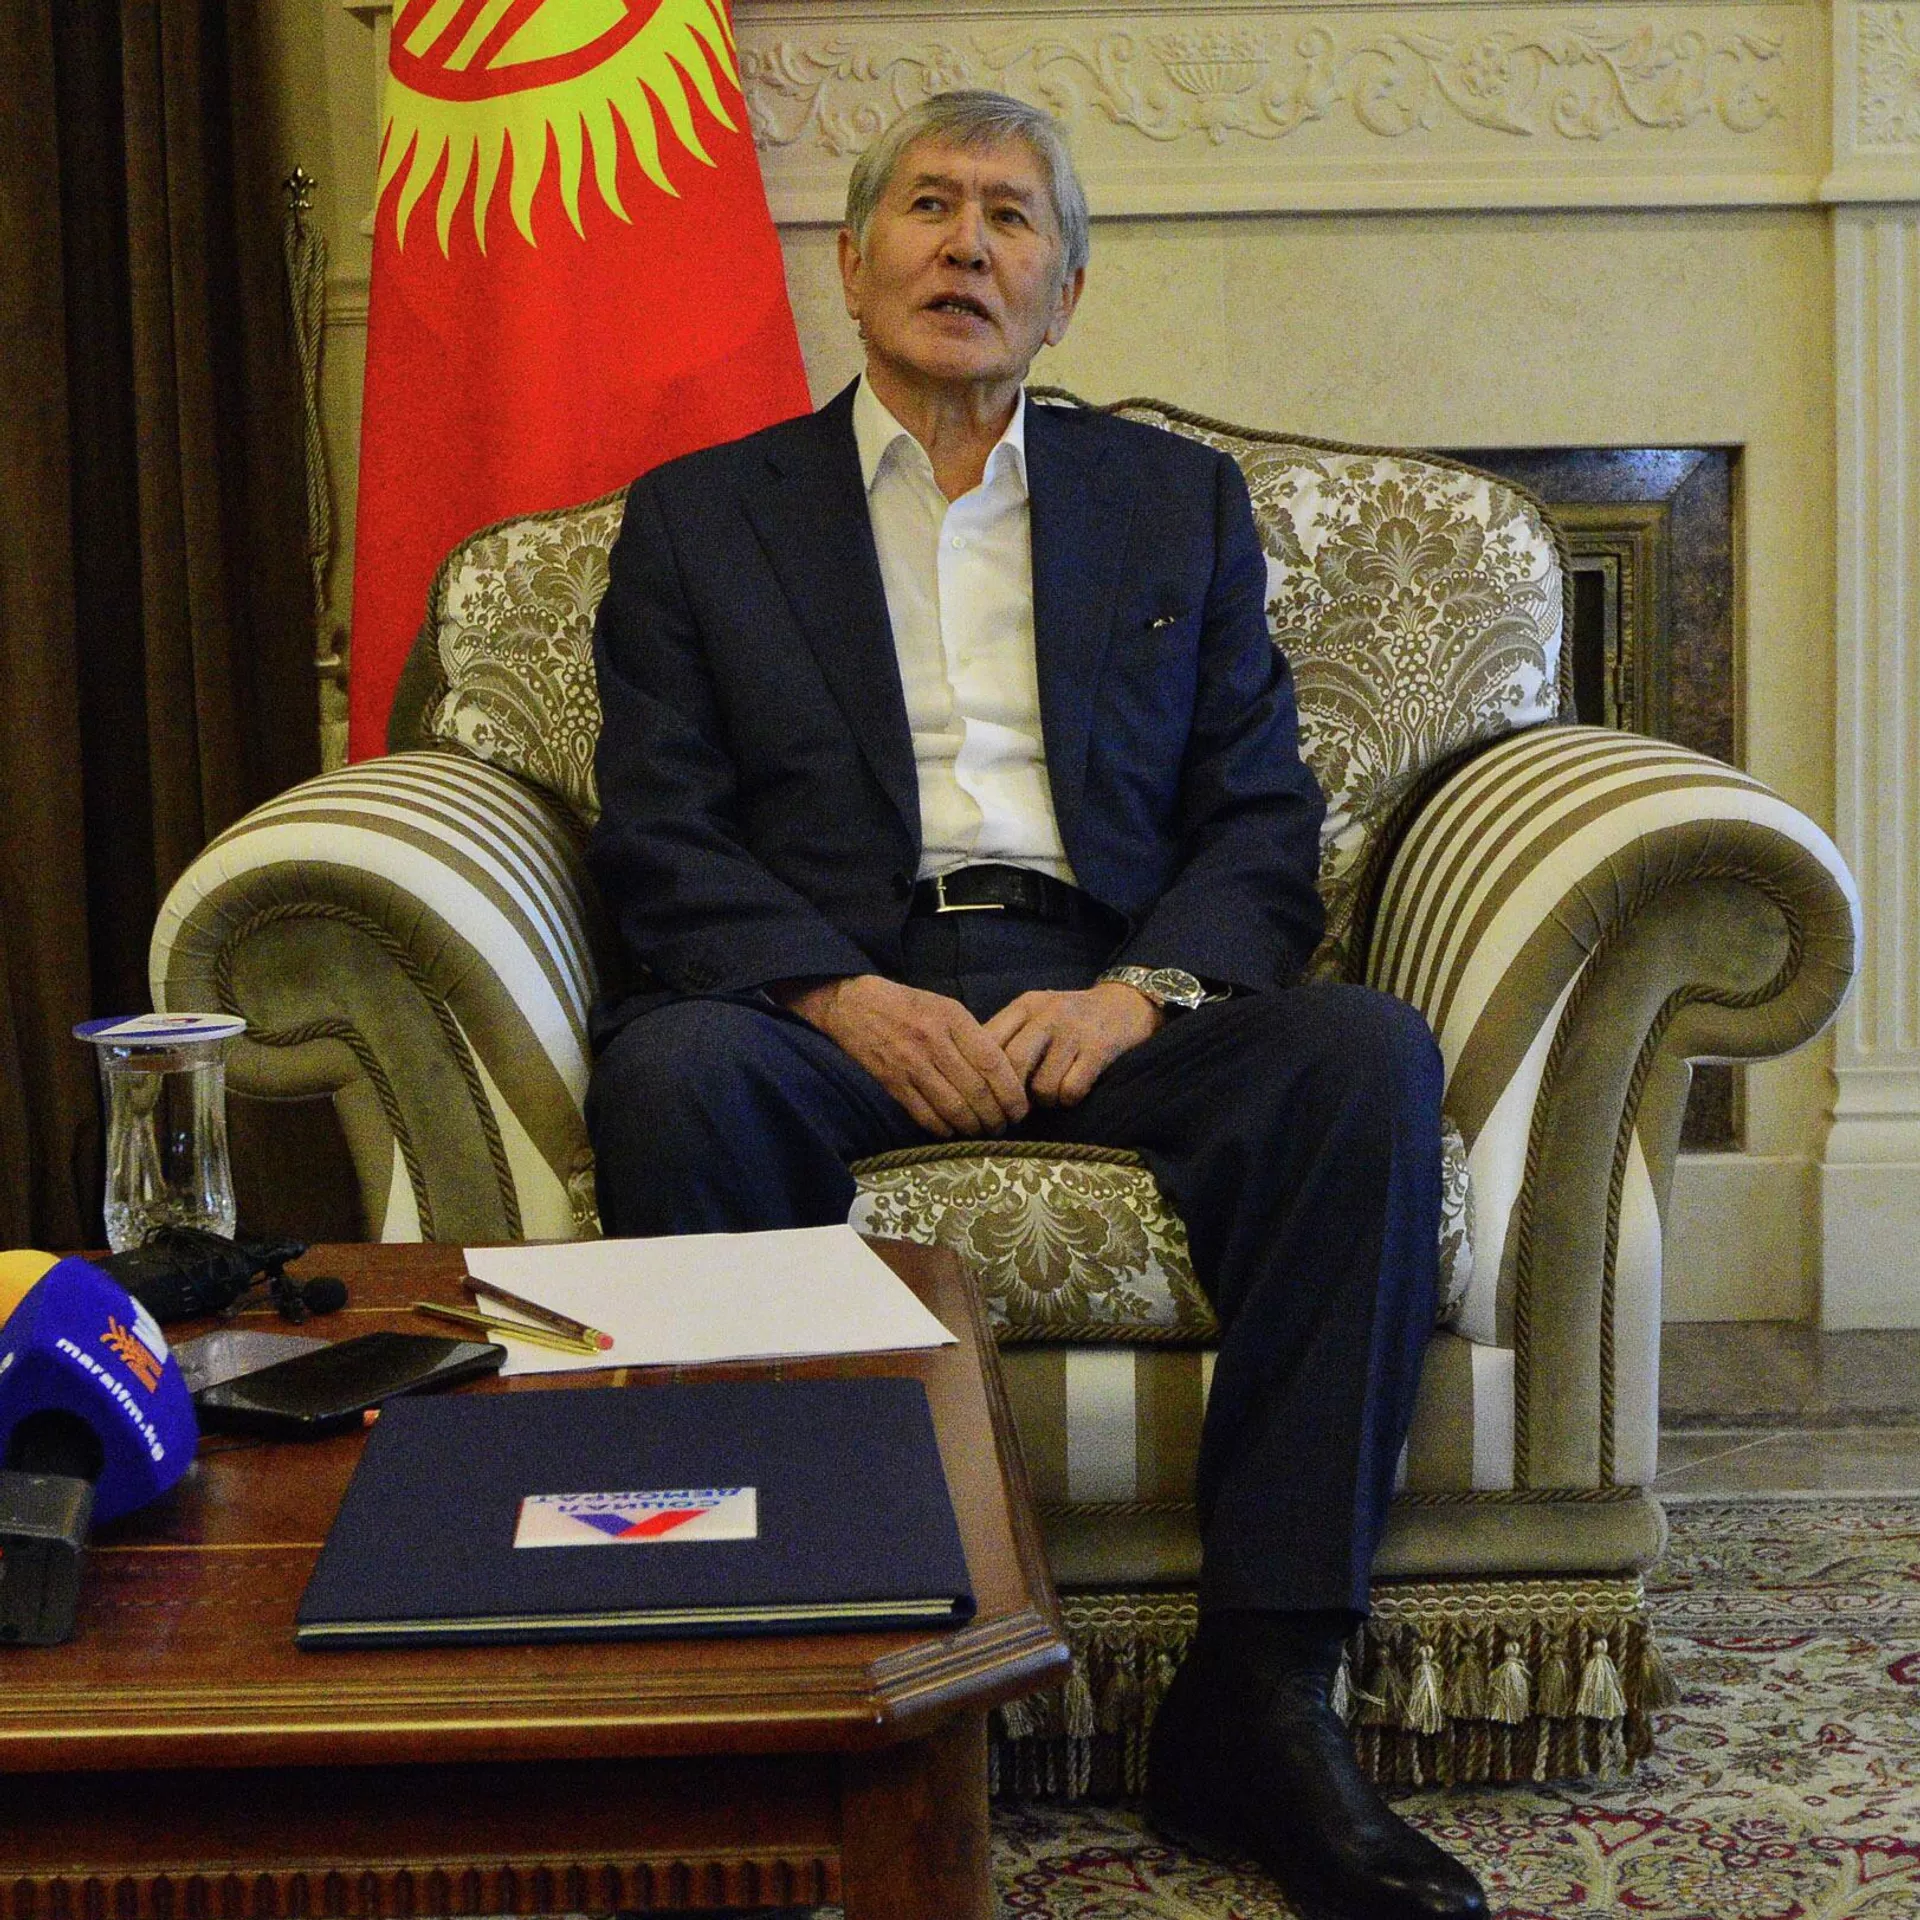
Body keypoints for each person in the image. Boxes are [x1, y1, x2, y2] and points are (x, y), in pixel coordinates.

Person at [584, 88, 1486, 1920]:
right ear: (852, 267)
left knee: (1358, 1060)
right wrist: (835, 992)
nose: (967, 245)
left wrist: (1140, 994)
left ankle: (1263, 1699)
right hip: (831, 993)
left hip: (1103, 977)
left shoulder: (1173, 508)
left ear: (1064, 293)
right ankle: (783, 1677)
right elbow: (660, 834)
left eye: (1011, 218)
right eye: (930, 206)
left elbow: (1259, 820)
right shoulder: (699, 519)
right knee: (674, 1078)